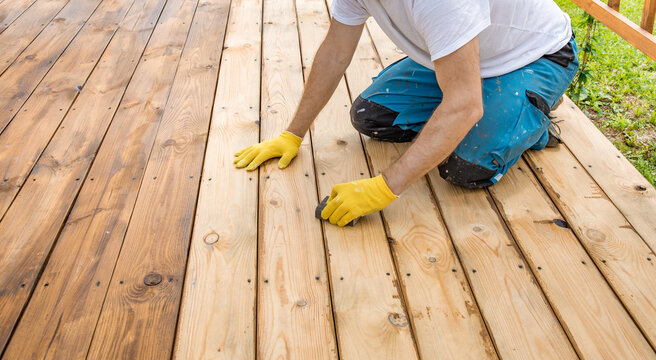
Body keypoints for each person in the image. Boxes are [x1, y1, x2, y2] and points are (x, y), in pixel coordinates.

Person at [234, 0, 579, 227]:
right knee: (371, 117)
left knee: (466, 168)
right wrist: (292, 133)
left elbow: (465, 105)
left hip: (534, 57)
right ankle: (493, 102)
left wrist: (383, 188)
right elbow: (336, 51)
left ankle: (533, 117)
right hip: (463, 54)